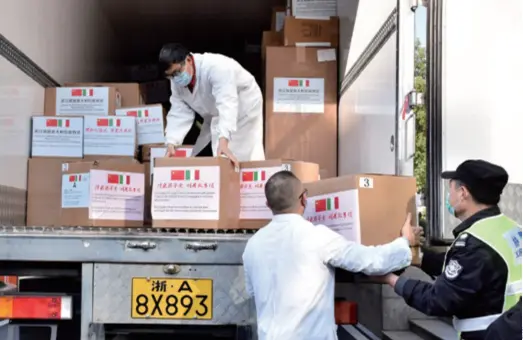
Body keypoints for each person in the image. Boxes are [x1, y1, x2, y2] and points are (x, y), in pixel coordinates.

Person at [242, 171, 423, 340]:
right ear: (304, 199)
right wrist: (404, 241)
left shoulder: (252, 246)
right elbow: (371, 261)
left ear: (268, 205)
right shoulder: (318, 237)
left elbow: (252, 291)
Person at [377, 159, 522, 340]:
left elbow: (438, 300)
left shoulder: (474, 243)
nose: (449, 195)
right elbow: (465, 269)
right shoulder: (511, 228)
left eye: (451, 189)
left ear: (463, 193)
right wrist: (417, 255)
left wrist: (391, 279)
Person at [158, 43, 265, 166]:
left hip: (243, 104)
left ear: (188, 60)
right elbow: (179, 111)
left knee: (240, 153)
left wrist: (224, 140)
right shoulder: (176, 82)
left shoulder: (216, 67)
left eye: (177, 72)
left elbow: (227, 102)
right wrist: (171, 142)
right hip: (215, 112)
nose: (175, 78)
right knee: (217, 154)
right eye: (170, 75)